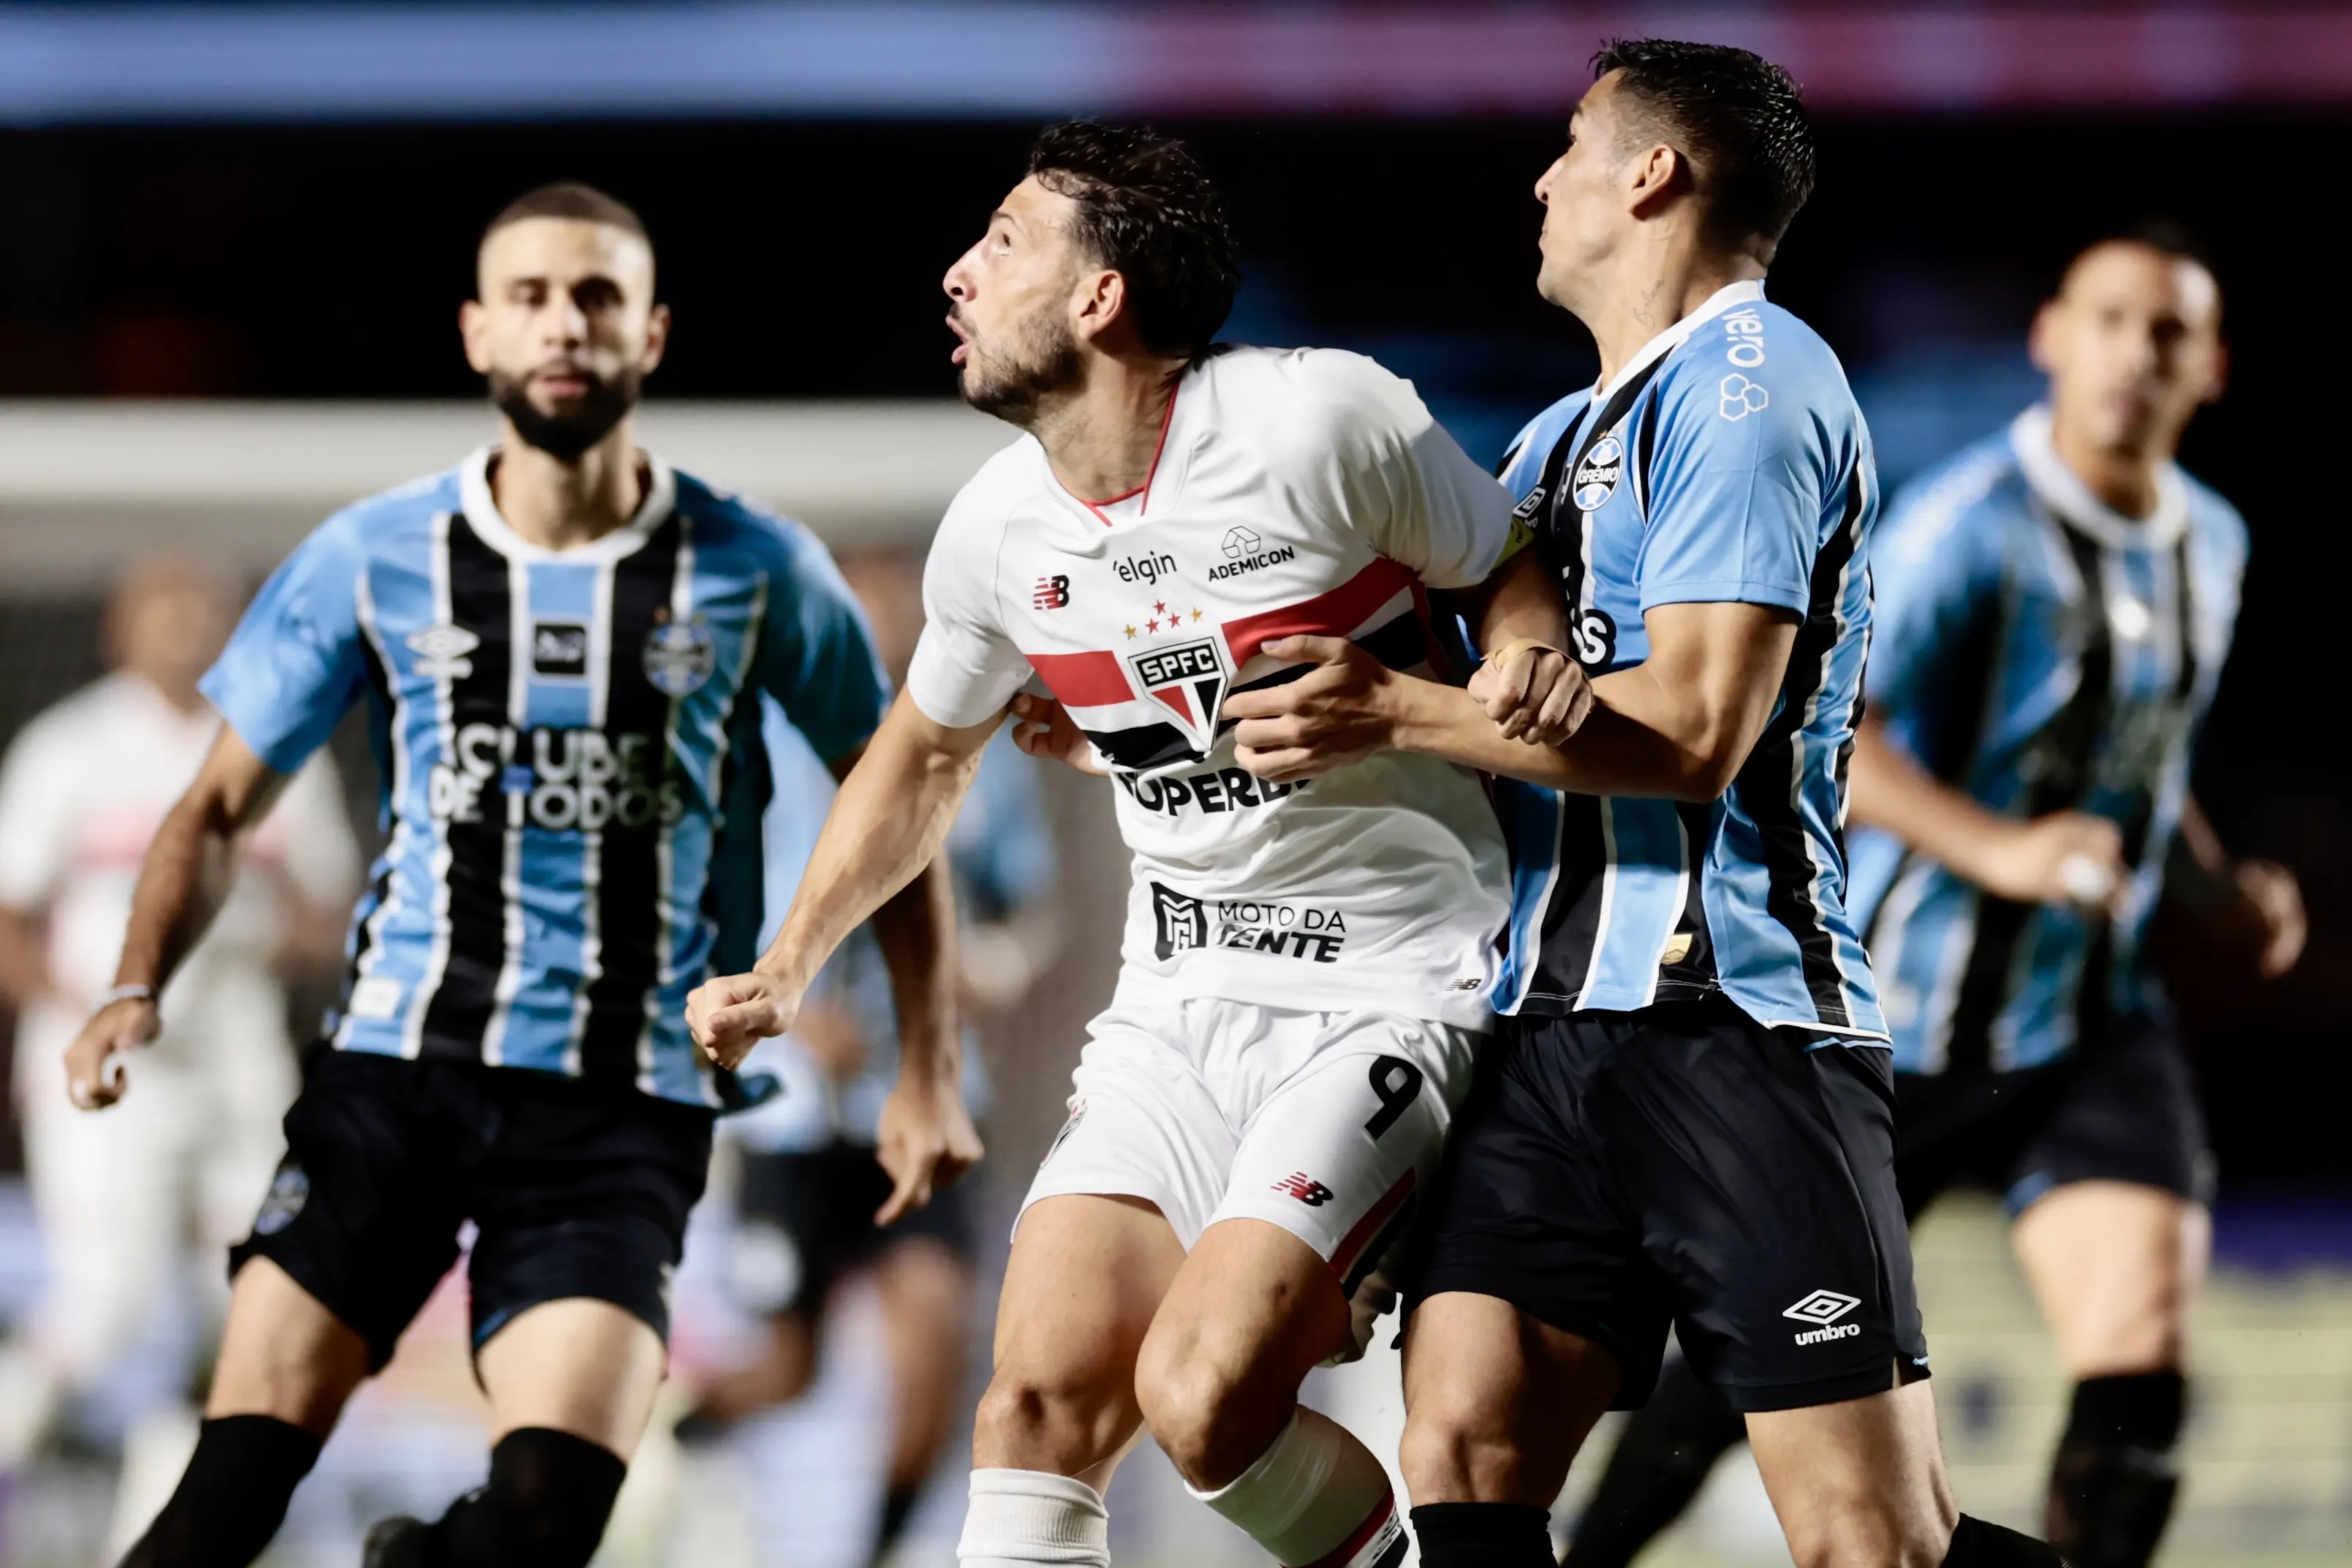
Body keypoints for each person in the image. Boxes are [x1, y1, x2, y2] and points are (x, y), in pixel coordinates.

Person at [1209, 39, 2066, 1567]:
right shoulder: (1547, 446)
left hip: (1732, 1023)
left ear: (1653, 174)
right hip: (1543, 1037)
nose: (1543, 179)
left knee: (1870, 1539)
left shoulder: (1754, 379)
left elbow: (1692, 733)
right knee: (1462, 1450)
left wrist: (1400, 705)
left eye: (1570, 145)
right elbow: (1439, 715)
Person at [687, 121, 1579, 1568]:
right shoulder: (994, 535)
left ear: (1099, 299)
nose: (959, 275)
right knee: (1033, 1404)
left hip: (1383, 989)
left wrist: (1526, 658)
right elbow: (920, 752)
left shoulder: (1322, 423)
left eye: (1004, 244)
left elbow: (1507, 563)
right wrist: (793, 965)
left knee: (1201, 1398)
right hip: (1170, 1010)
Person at [56, 180, 964, 1568]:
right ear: (479, 335)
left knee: (549, 1517)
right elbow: (218, 807)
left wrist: (926, 1069)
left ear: (650, 336)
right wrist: (135, 982)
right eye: (532, 297)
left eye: (597, 297)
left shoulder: (760, 568)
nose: (565, 325)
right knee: (227, 1493)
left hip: (624, 1102)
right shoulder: (375, 555)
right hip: (396, 1076)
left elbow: (897, 796)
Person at [1557, 230, 2303, 1568]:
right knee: (1766, 1362)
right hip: (1898, 1022)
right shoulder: (1971, 528)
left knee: (2140, 1374)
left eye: (2170, 332)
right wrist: (2003, 854)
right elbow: (1843, 737)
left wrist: (2217, 890)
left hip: (2089, 1023)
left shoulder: (2217, 545)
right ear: (2052, 339)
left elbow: (2144, 760)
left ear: (2213, 370)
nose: (2138, 353)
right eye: (2113, 319)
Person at [681, 548, 1060, 1567]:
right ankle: (663, 1449)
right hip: (793, 1111)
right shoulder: (747, 739)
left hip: (923, 1099)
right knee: (786, 1366)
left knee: (935, 1353)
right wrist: (786, 1012)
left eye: (896, 617)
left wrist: (980, 970)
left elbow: (1025, 918)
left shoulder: (986, 753)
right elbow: (694, 916)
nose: (878, 636)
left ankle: (875, 1557)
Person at [0, 558, 358, 1547]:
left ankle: (156, 1534)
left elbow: (328, 908)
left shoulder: (280, 743)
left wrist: (270, 935)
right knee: (106, 1298)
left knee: (243, 1298)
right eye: (168, 611)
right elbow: (8, 919)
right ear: (123, 628)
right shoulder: (69, 748)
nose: (189, 629)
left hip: (237, 1053)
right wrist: (85, 1004)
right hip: (114, 1064)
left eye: (207, 611)